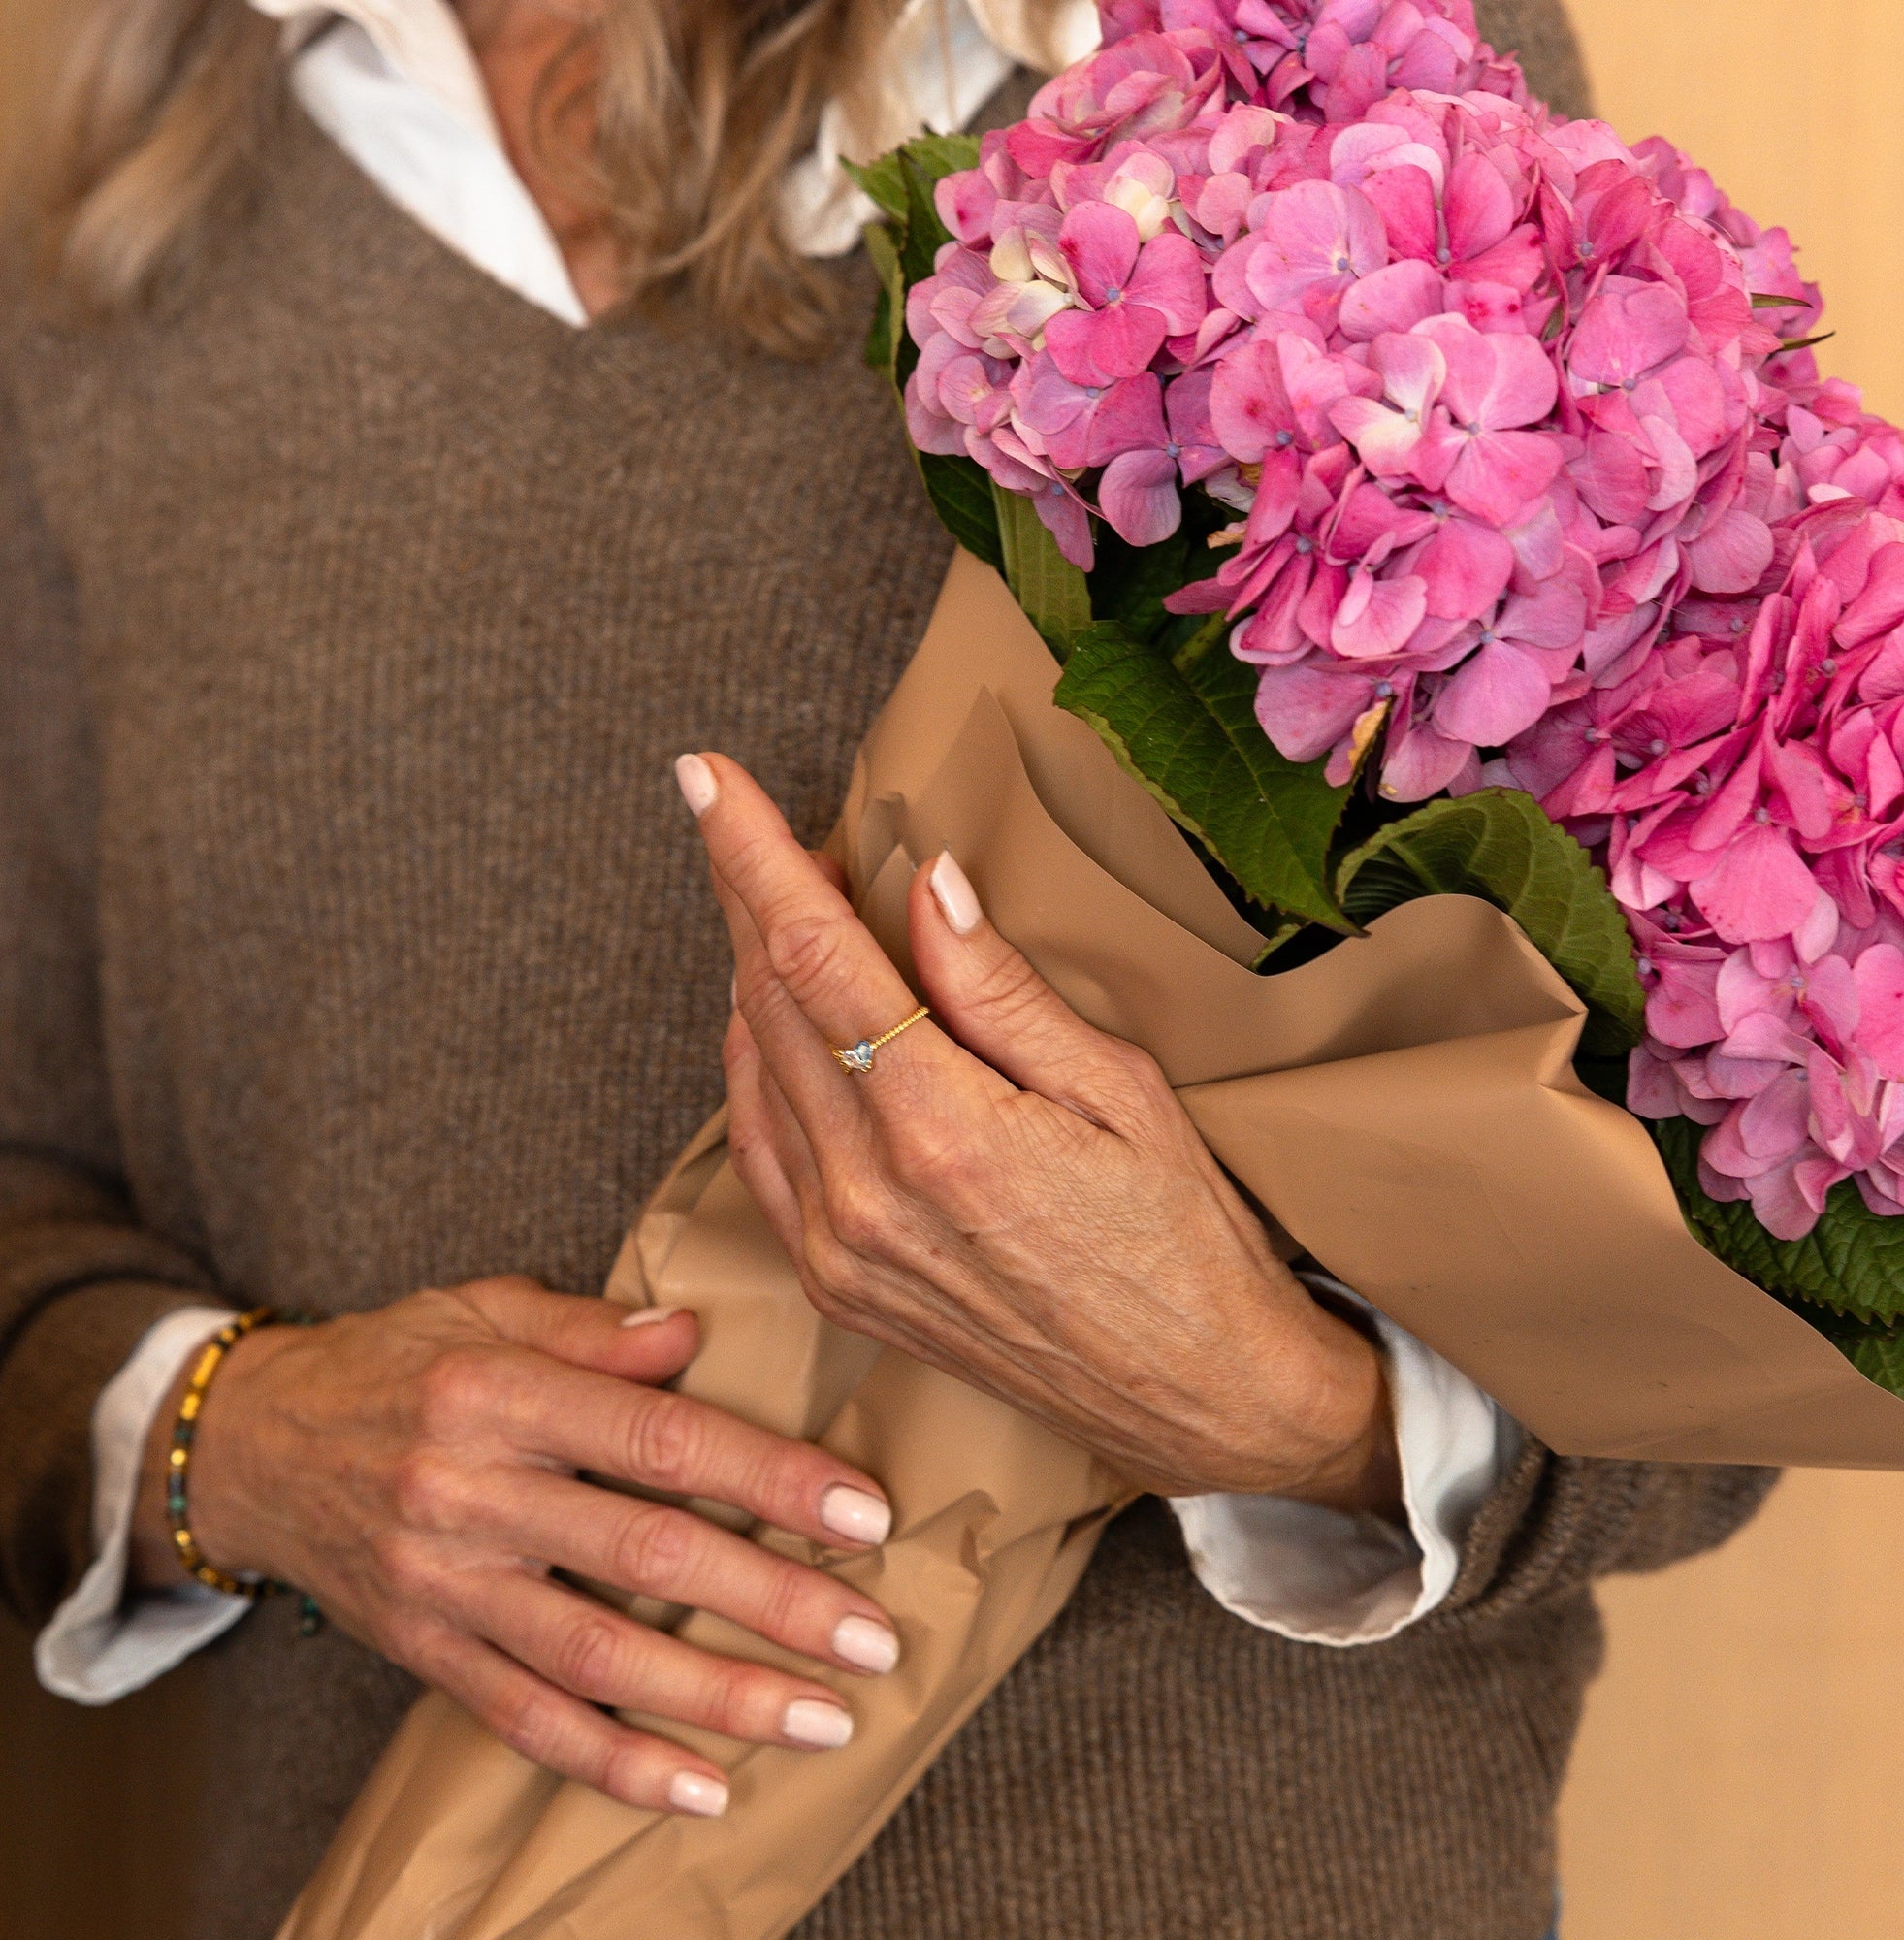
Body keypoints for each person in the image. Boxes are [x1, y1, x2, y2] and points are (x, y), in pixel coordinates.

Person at [0, 2, 1773, 1936]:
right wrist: (225, 1438)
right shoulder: (97, 277)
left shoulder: (1304, 87)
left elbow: (1741, 1294)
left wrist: (1296, 1414)